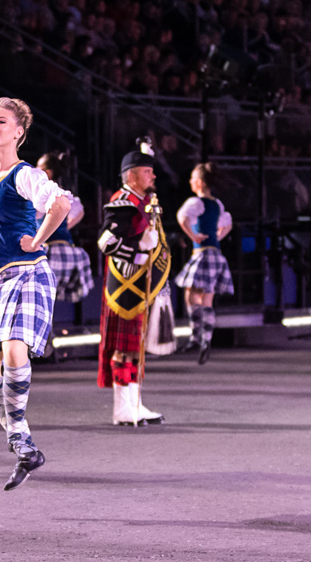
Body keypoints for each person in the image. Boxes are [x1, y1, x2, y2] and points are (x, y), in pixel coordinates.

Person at [0, 97, 70, 490]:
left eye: (1, 121)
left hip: (26, 274)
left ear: (19, 131)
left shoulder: (23, 175)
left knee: (14, 350)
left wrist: (37, 239)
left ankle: (19, 438)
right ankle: (22, 441)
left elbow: (61, 202)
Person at [97, 147, 168, 426]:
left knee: (135, 346)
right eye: (147, 171)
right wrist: (138, 250)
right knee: (125, 347)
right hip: (125, 287)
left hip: (139, 285)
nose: (153, 175)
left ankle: (134, 404)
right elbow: (105, 242)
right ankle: (122, 408)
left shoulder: (144, 200)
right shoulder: (123, 201)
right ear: (132, 175)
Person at [175, 162, 234, 364]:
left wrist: (193, 235)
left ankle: (195, 335)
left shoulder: (196, 202)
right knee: (207, 299)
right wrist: (217, 237)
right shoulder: (217, 204)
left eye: (192, 179)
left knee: (191, 293)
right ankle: (206, 339)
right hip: (216, 253)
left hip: (202, 253)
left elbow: (182, 217)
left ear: (199, 182)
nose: (190, 182)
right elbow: (228, 223)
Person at [36, 152, 94, 303]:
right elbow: (80, 211)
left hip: (50, 254)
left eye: (38, 168)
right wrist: (64, 226)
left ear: (47, 173)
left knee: (41, 297)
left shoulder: (41, 195)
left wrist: (45, 231)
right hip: (69, 252)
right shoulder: (64, 194)